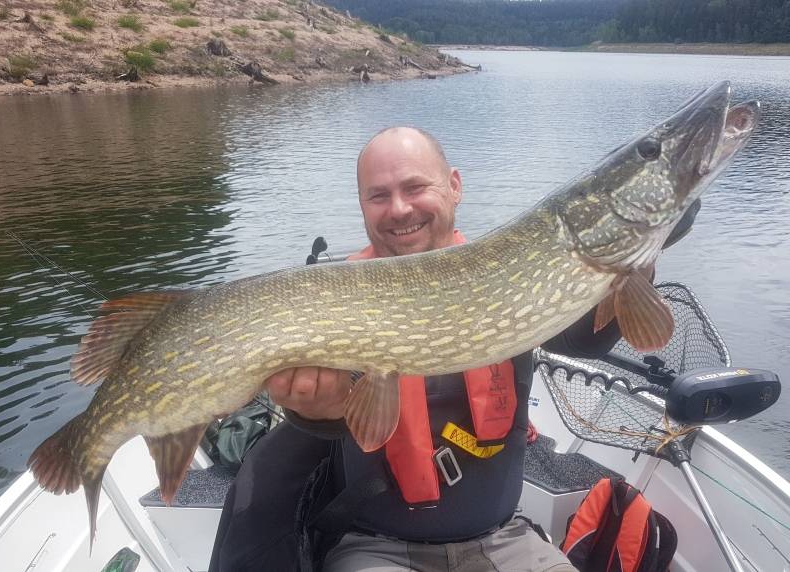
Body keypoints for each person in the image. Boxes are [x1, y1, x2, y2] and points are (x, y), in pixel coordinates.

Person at [209, 127, 696, 572]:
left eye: (415, 187)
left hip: (506, 542)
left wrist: (638, 255)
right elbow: (326, 425)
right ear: (362, 206)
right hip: (378, 551)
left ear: (455, 186)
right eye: (379, 196)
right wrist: (312, 411)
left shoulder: (508, 273)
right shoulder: (333, 298)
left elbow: (583, 338)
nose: (399, 209)